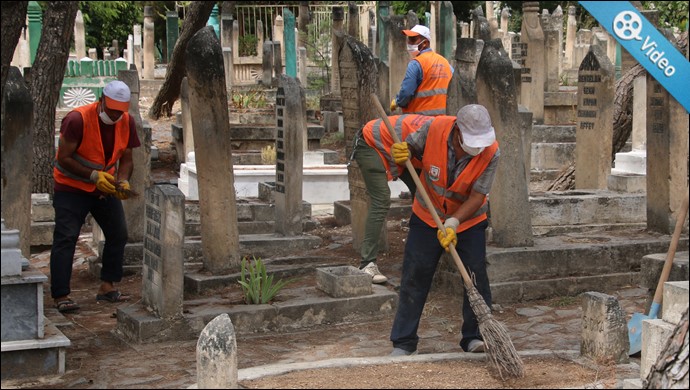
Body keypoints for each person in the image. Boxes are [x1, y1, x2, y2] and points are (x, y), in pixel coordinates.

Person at [387, 104, 500, 356]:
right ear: (458, 130)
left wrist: (454, 222)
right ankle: (404, 341)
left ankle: (474, 336)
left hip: (468, 221)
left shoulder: (491, 151)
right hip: (427, 215)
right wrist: (400, 154)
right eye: (473, 141)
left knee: (475, 276)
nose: (477, 147)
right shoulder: (434, 128)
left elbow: (478, 195)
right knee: (415, 274)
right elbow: (409, 152)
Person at [50, 80, 141, 313]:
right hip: (71, 187)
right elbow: (64, 158)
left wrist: (122, 180)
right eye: (110, 110)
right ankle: (61, 295)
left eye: (119, 112)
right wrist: (92, 175)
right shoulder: (77, 119)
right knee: (66, 237)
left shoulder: (126, 122)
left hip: (104, 187)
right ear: (101, 102)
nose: (114, 116)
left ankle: (107, 286)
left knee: (118, 234)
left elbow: (127, 158)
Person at [350, 114, 435, 284]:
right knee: (381, 200)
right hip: (371, 143)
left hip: (401, 149)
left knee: (424, 196)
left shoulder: (448, 134)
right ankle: (367, 263)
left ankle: (422, 257)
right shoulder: (438, 139)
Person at [390, 24, 453, 116]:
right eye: (409, 39)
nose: (409, 43)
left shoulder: (416, 64)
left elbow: (406, 92)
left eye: (413, 40)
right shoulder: (445, 62)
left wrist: (398, 102)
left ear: (425, 43)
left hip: (419, 121)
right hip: (444, 121)